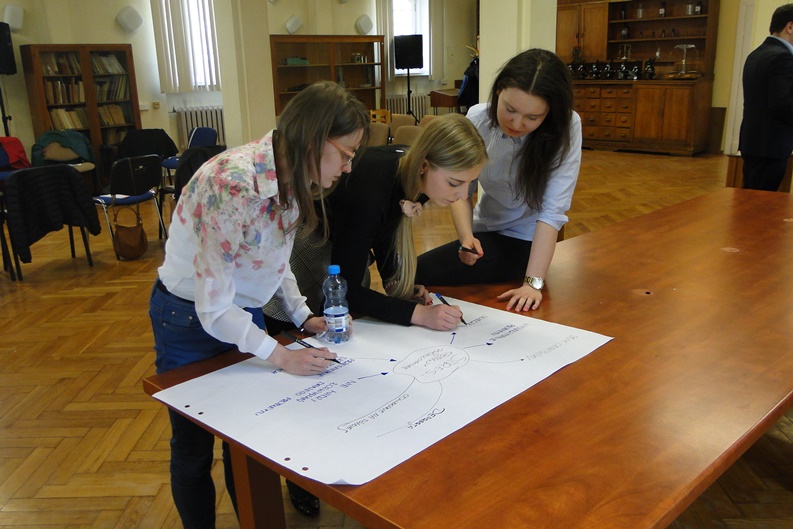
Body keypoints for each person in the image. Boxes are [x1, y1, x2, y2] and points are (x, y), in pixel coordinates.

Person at [149, 81, 370, 529]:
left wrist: (302, 315)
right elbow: (213, 310)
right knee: (192, 447)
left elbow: (273, 258)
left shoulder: (291, 175)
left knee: (245, 439)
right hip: (189, 318)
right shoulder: (231, 185)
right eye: (346, 154)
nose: (348, 167)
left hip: (239, 311)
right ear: (314, 140)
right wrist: (281, 355)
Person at [264, 113, 488, 332]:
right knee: (296, 339)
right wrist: (419, 314)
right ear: (424, 165)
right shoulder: (369, 190)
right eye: (454, 183)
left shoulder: (416, 173)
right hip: (302, 260)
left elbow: (385, 226)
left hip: (341, 253)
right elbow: (348, 290)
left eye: (469, 184)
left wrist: (394, 281)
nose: (462, 195)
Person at [415, 48, 582, 312]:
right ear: (497, 92)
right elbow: (462, 192)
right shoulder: (478, 118)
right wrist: (466, 238)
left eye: (532, 117)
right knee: (416, 272)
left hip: (526, 240)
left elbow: (552, 212)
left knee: (422, 272)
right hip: (483, 230)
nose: (517, 123)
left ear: (550, 112)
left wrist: (533, 284)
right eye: (510, 109)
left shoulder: (567, 126)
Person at [739, 3, 793, 191]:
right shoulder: (784, 58)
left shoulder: (756, 54)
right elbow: (782, 104)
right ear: (790, 27)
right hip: (771, 145)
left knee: (750, 199)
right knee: (762, 203)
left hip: (753, 141)